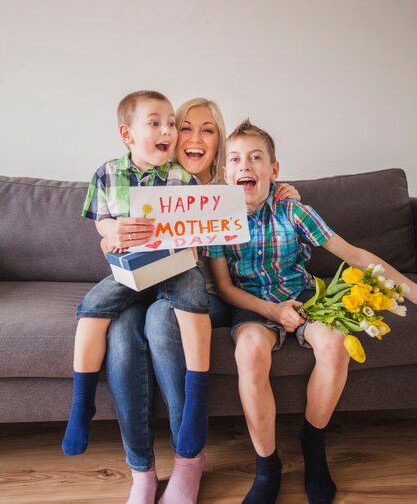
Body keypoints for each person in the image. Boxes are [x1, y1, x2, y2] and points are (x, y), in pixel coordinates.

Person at [85, 97, 300, 504]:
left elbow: (269, 198)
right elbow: (114, 231)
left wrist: (285, 193)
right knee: (121, 335)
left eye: (208, 130)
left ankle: (189, 460)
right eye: (186, 127)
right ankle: (141, 471)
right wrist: (109, 234)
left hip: (209, 295)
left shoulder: (234, 184)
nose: (194, 138)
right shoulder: (156, 181)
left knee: (162, 320)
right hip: (148, 285)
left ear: (219, 143)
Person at [206, 119, 417, 504]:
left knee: (335, 343)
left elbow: (355, 256)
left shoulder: (294, 211)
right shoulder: (219, 220)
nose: (245, 166)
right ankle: (266, 465)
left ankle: (313, 441)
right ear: (225, 172)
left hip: (303, 296)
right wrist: (271, 310)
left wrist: (414, 291)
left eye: (256, 158)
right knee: (249, 352)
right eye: (235, 159)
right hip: (254, 303)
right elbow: (223, 288)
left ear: (273, 170)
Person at [62, 90, 213, 504]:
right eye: (156, 123)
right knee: (93, 309)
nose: (167, 131)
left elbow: (197, 229)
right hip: (131, 274)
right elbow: (102, 222)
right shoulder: (108, 173)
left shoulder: (183, 177)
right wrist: (109, 232)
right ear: (127, 134)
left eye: (171, 123)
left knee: (191, 288)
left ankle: (196, 405)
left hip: (174, 268)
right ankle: (83, 407)